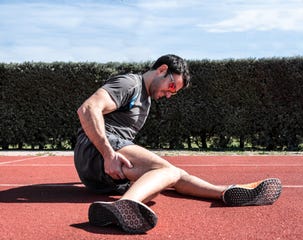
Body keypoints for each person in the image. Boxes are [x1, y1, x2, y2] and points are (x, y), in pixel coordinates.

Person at [74, 54, 282, 234]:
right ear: (162, 70)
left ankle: (225, 192)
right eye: (171, 86)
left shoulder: (145, 99)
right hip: (97, 150)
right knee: (167, 171)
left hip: (100, 172)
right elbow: (87, 109)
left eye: (174, 92)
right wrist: (108, 154)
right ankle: (124, 205)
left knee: (172, 174)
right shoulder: (131, 84)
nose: (169, 94)